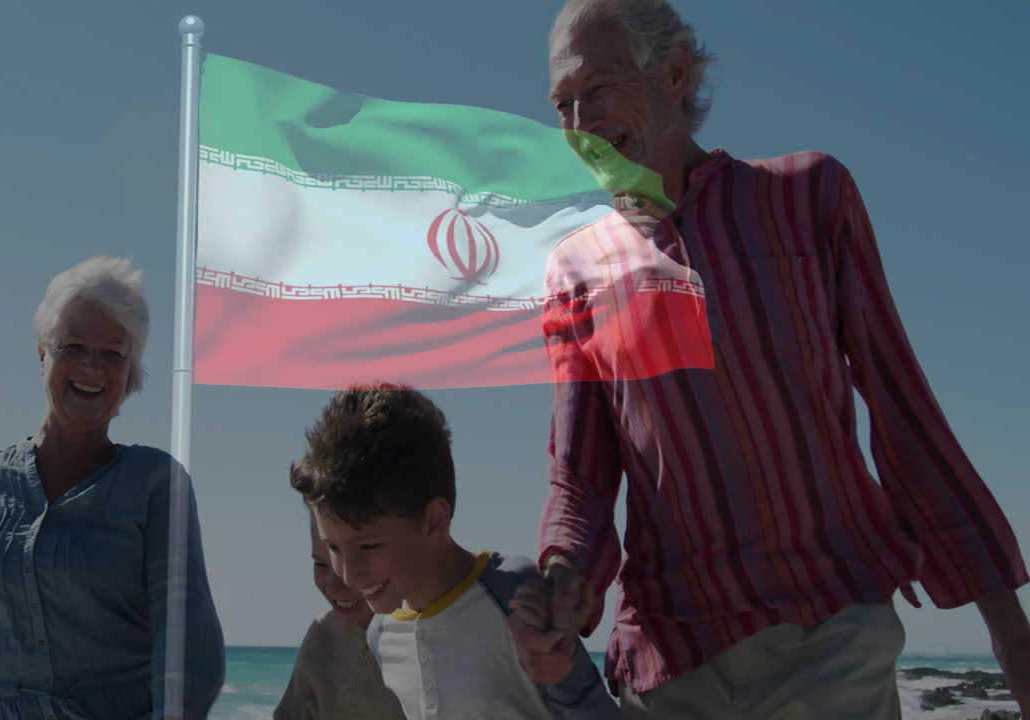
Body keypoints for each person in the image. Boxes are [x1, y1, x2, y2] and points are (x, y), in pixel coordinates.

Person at [511, 1, 1030, 718]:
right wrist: (564, 580)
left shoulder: (806, 198)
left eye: (598, 90)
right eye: (562, 104)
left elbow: (905, 412)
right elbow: (582, 477)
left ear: (674, 73)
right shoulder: (575, 273)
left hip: (826, 633)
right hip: (669, 663)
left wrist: (1009, 631)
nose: (579, 125)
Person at [0, 256, 225, 720]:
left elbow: (189, 652)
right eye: (73, 345)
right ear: (42, 353)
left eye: (114, 353)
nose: (93, 368)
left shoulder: (156, 484)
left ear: (131, 371)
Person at [290, 383, 618, 720]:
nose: (348, 573)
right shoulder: (381, 635)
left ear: (434, 520)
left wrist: (561, 676)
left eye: (368, 546)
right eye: (333, 548)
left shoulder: (513, 596)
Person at [274, 512, 406, 720]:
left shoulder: (439, 640)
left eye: (355, 561)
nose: (333, 586)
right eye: (321, 564)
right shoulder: (323, 636)